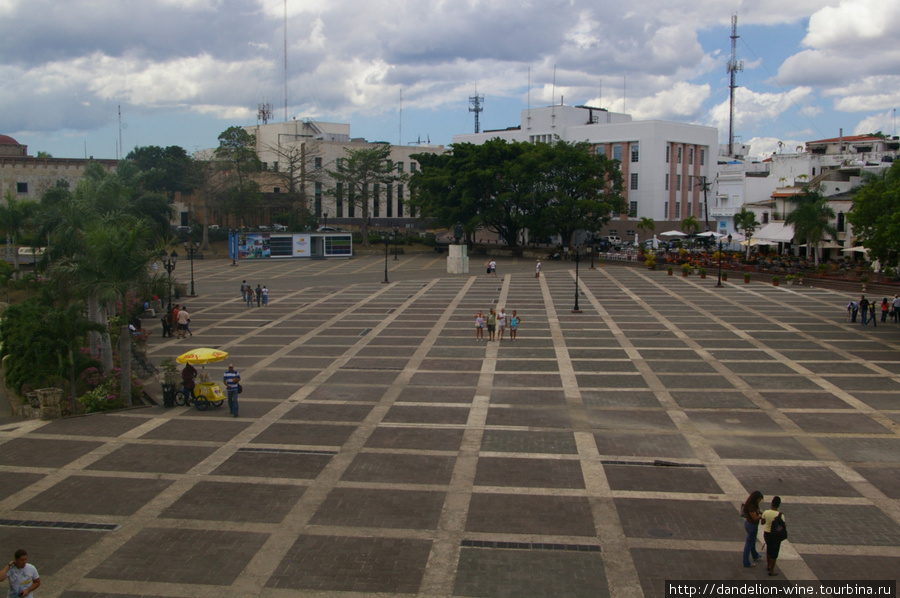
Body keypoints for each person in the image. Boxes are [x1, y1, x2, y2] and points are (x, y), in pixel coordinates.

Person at [761, 496, 784, 576]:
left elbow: (762, 522)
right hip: (775, 535)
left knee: (769, 549)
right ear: (779, 505)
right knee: (774, 553)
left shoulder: (766, 512)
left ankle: (768, 565)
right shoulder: (780, 515)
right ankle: (772, 570)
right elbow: (782, 526)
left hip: (767, 533)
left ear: (772, 503)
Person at [741, 490, 764, 567]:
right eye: (760, 499)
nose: (760, 500)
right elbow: (755, 518)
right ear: (756, 498)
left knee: (753, 541)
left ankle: (755, 555)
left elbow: (758, 511)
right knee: (748, 544)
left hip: (750, 525)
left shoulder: (754, 504)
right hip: (752, 526)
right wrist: (762, 517)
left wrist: (762, 513)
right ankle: (746, 562)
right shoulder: (751, 507)